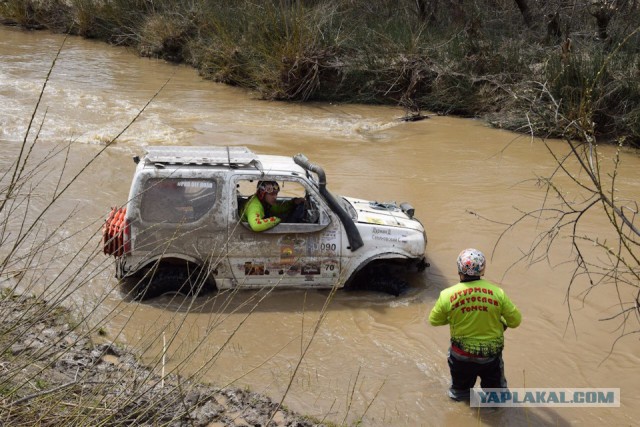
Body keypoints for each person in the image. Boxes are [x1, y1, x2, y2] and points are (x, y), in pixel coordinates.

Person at [429, 248, 521, 401]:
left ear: (459, 268)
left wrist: (454, 318)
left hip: (460, 355)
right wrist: (502, 322)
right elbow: (515, 321)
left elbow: (434, 320)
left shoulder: (447, 295)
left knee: (460, 394)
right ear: (482, 269)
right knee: (497, 397)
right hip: (490, 357)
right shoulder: (498, 293)